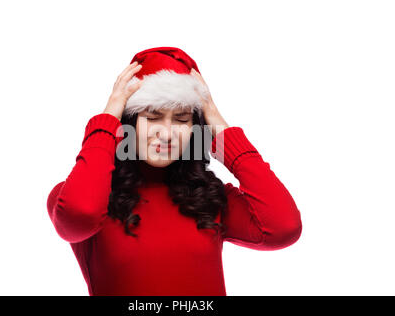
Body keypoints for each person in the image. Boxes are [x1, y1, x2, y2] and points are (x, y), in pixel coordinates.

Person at [46, 47, 303, 296]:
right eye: (153, 117)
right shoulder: (80, 195)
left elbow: (284, 227)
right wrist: (108, 119)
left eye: (181, 120)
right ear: (128, 124)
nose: (167, 133)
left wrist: (220, 125)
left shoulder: (210, 199)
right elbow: (78, 216)